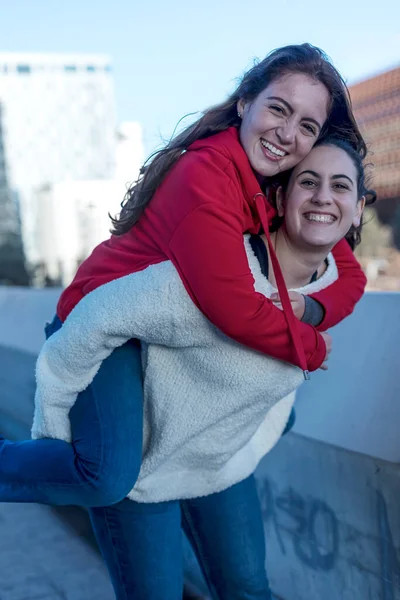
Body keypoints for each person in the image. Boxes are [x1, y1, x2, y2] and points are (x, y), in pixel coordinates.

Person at [0, 43, 370, 596]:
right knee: (108, 474)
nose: (288, 132)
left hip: (167, 348)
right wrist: (311, 347)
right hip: (107, 324)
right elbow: (234, 309)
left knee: (272, 414)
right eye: (278, 109)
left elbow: (347, 270)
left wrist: (312, 310)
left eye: (308, 124)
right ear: (245, 101)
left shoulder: (274, 185)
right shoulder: (207, 178)